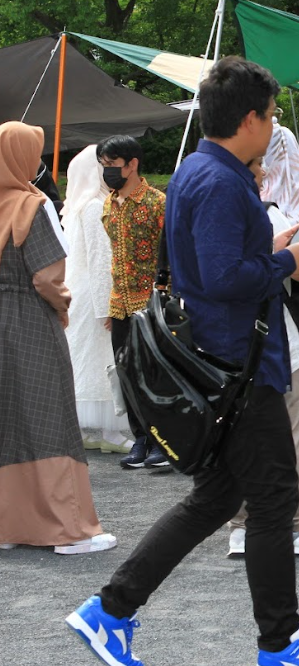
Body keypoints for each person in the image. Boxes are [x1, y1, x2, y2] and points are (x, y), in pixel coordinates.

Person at [66, 56, 299, 666]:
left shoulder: (199, 170)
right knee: (275, 502)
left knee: (216, 498)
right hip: (239, 368)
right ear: (250, 119)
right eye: (272, 115)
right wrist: (290, 265)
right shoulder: (222, 180)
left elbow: (208, 267)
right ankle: (279, 645)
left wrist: (272, 252)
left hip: (222, 364)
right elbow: (226, 277)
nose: (273, 125)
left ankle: (110, 611)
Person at [226, 123, 299, 559]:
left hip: (250, 327)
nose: (260, 170)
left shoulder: (217, 190)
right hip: (273, 323)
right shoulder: (252, 199)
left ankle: (244, 523)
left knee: (248, 425)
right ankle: (292, 524)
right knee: (291, 420)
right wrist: (282, 257)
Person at [0, 121, 117, 555]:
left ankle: (9, 526)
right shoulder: (34, 205)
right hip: (29, 318)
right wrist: (63, 306)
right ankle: (66, 528)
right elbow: (49, 276)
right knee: (49, 414)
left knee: (7, 417)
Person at [98, 134, 169, 470]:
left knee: (153, 374)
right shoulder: (109, 203)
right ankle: (140, 437)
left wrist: (166, 295)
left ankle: (161, 440)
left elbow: (169, 255)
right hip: (120, 303)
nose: (107, 171)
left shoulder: (157, 203)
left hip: (150, 302)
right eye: (103, 165)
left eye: (112, 164)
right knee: (126, 373)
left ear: (132, 164)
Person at [61, 145, 132, 454]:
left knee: (85, 362)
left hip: (78, 291)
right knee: (103, 363)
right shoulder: (95, 206)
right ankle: (109, 432)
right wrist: (108, 306)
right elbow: (102, 258)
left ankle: (89, 431)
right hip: (94, 293)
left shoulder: (76, 206)